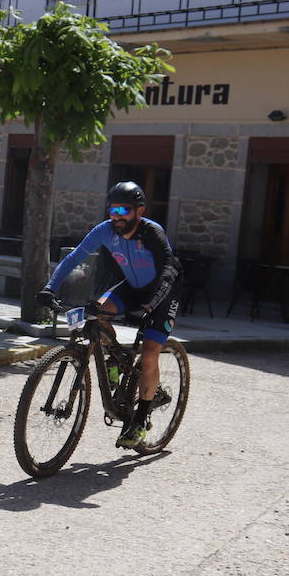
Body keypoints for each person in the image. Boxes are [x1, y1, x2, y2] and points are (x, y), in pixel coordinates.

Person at [37, 181, 181, 449]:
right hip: (132, 288)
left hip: (162, 293)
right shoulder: (105, 231)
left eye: (123, 210)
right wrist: (49, 288)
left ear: (139, 211)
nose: (116, 216)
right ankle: (115, 363)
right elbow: (74, 257)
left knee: (150, 352)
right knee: (98, 313)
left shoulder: (151, 232)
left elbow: (168, 272)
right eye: (112, 209)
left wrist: (148, 307)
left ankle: (139, 419)